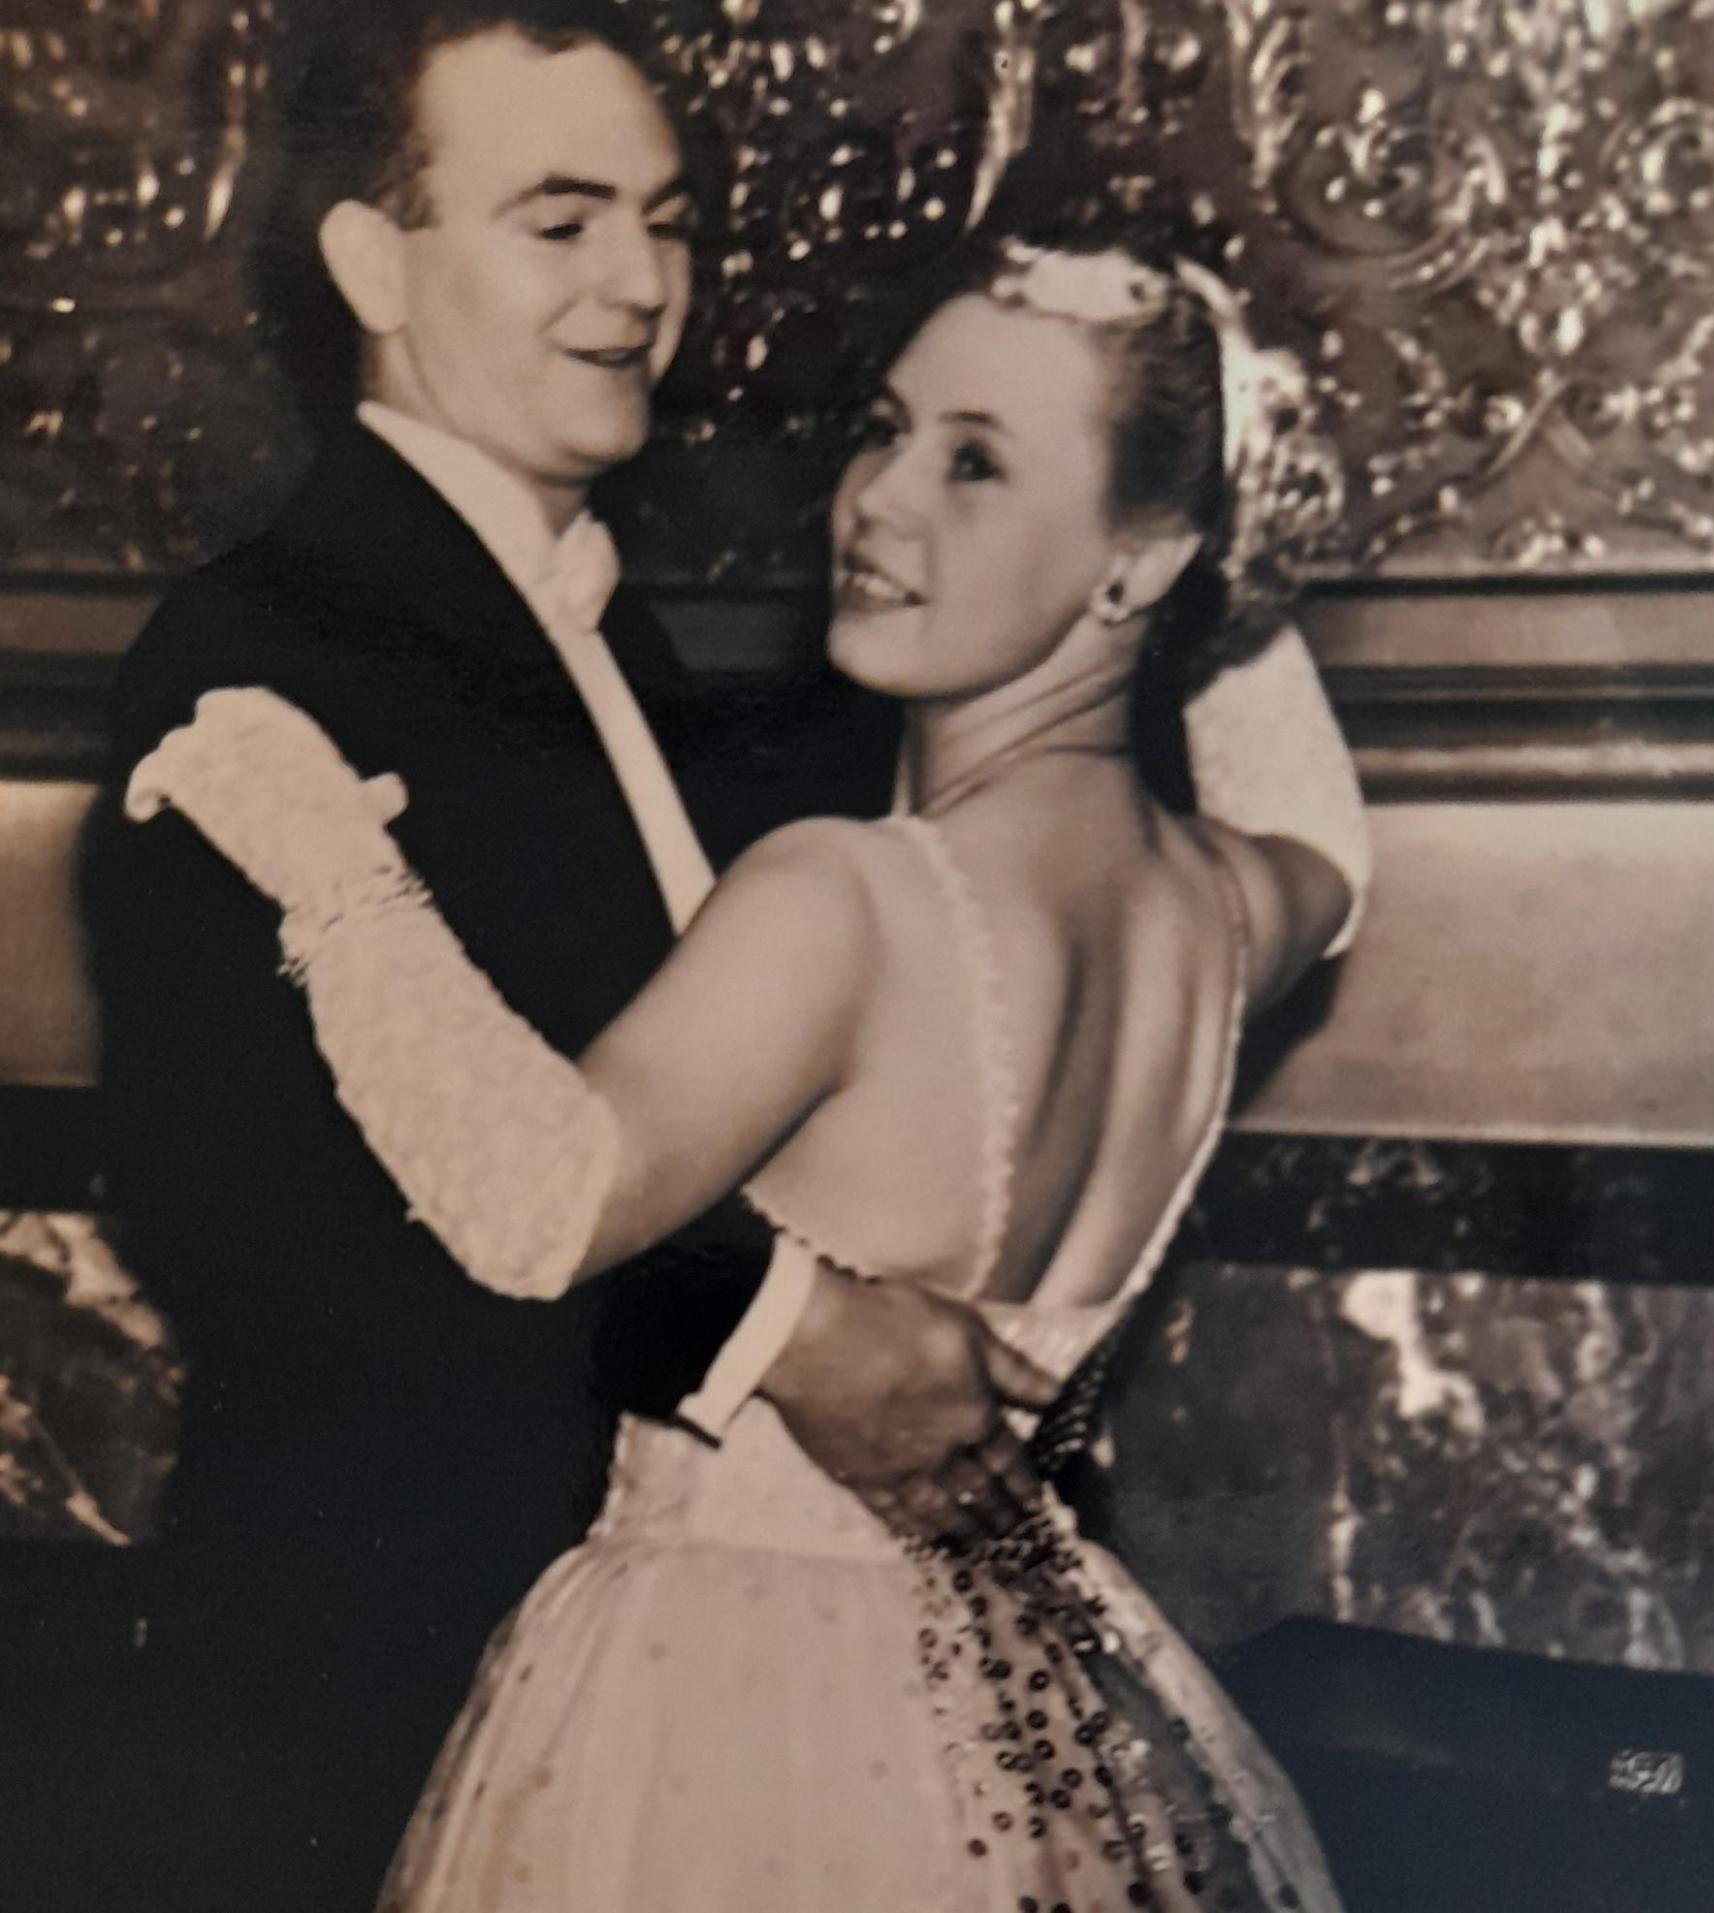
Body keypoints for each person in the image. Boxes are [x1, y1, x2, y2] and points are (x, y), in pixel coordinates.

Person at [132, 231, 1369, 1910]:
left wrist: (325, 860)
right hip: (1032, 1706)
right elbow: (1330, 834)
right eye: (886, 426)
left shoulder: (845, 893)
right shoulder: (1231, 911)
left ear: (1137, 559)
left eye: (978, 463)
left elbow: (535, 1200)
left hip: (727, 1692)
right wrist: (1217, 507)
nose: (875, 501)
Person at [46, 4, 1050, 1906]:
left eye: (665, 223)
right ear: (371, 259)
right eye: (561, 220)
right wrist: (784, 1332)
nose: (642, 284)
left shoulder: (621, 642)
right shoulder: (259, 650)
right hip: (384, 1675)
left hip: (647, 1668)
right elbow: (278, 1219)